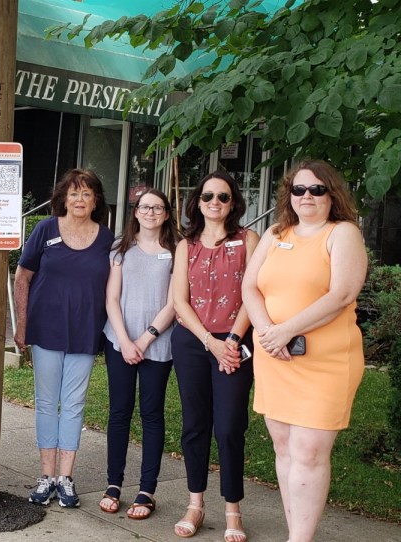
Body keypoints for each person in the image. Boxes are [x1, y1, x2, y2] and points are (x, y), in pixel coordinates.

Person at [241, 160, 366, 542]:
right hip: (274, 357)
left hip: (324, 361)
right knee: (284, 448)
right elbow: (250, 288)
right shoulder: (275, 233)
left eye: (316, 190)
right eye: (299, 189)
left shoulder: (342, 233)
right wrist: (266, 333)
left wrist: (285, 331)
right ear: (289, 195)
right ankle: (297, 532)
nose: (307, 196)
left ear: (332, 195)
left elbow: (342, 293)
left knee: (309, 452)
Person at [14, 168, 114, 508]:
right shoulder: (45, 229)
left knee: (73, 405)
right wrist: (21, 325)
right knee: (45, 403)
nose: (80, 200)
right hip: (46, 330)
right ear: (63, 198)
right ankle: (46, 476)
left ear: (96, 200)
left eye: (87, 194)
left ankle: (65, 478)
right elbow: (22, 277)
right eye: (74, 193)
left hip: (85, 331)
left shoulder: (106, 239)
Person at [171, 171, 259, 542]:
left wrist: (233, 341)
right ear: (198, 201)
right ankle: (195, 503)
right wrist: (210, 341)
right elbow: (179, 300)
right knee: (195, 425)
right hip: (194, 341)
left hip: (235, 342)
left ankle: (233, 510)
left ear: (233, 202)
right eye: (208, 196)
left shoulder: (248, 239)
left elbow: (254, 293)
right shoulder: (185, 245)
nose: (215, 203)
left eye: (223, 197)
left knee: (228, 427)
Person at [98, 188, 179, 520]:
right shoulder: (121, 249)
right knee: (119, 413)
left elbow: (175, 303)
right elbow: (111, 299)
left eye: (158, 208)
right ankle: (113, 485)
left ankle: (147, 490)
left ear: (167, 214)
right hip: (118, 342)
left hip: (157, 344)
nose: (150, 212)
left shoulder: (176, 251)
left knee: (151, 415)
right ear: (135, 211)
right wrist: (125, 340)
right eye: (145, 207)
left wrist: (144, 340)